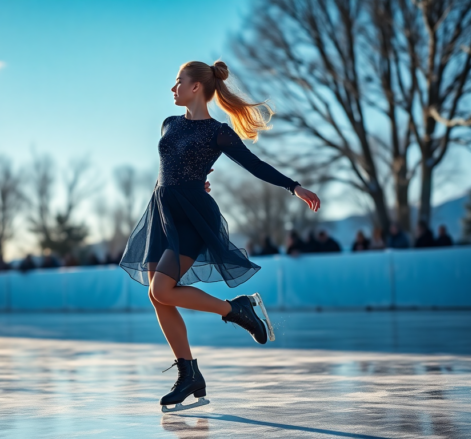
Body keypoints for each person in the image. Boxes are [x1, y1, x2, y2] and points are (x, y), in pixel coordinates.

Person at [117, 60, 320, 413]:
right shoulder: (169, 124)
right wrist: (183, 184)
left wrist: (294, 187)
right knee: (157, 297)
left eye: (178, 81)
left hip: (193, 217)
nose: (173, 88)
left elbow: (254, 164)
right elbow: (170, 168)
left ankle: (237, 309)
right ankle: (189, 376)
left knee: (161, 289)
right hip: (162, 213)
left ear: (196, 86)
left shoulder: (218, 132)